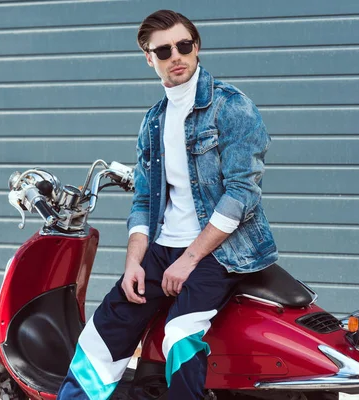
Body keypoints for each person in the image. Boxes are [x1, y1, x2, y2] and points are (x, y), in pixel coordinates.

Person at [58, 9, 278, 400]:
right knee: (107, 323)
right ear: (149, 58)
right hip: (164, 245)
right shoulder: (153, 121)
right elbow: (144, 199)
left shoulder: (232, 107)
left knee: (180, 331)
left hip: (224, 250)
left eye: (183, 46)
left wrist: (190, 259)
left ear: (197, 48)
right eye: (163, 51)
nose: (175, 56)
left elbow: (242, 193)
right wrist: (132, 263)